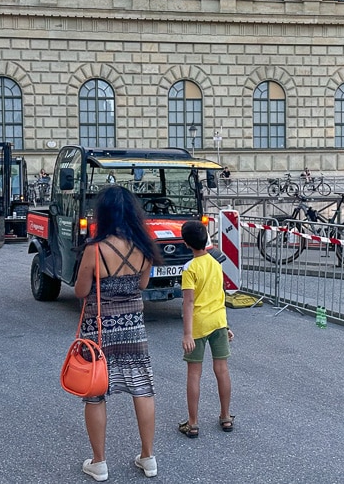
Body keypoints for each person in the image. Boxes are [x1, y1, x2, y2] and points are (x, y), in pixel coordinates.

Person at [72, 185, 162, 481]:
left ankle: (99, 463)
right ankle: (148, 458)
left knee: (95, 394)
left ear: (104, 214)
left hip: (99, 330)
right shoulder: (144, 247)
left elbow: (81, 291)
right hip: (134, 328)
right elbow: (143, 285)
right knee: (142, 388)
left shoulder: (95, 249)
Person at [178, 220, 234, 439]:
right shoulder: (216, 263)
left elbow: (189, 302)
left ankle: (192, 424)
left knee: (194, 373)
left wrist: (187, 334)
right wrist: (226, 326)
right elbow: (218, 296)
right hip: (219, 321)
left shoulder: (189, 268)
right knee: (222, 370)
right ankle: (226, 416)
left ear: (186, 243)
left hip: (199, 325)